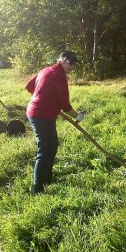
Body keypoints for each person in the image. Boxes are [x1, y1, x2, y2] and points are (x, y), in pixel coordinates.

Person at [25, 51, 84, 194]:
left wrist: (44, 97)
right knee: (45, 150)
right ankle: (38, 189)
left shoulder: (46, 70)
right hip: (41, 115)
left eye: (74, 64)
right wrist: (77, 116)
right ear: (62, 60)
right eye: (70, 63)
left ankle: (48, 180)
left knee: (52, 145)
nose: (72, 67)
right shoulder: (58, 76)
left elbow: (29, 86)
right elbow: (64, 103)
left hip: (42, 113)